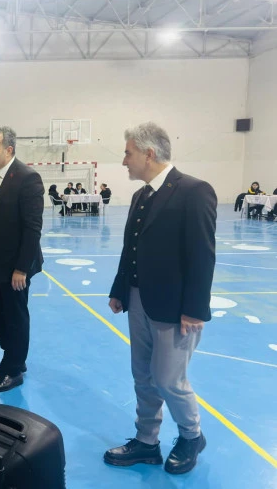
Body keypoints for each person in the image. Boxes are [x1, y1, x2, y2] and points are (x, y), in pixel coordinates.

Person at [105, 122, 216, 475]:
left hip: (174, 308)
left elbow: (202, 255)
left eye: (128, 153)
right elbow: (131, 248)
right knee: (142, 375)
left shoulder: (194, 191)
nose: (124, 161)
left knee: (168, 378)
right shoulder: (141, 196)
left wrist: (194, 309)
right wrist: (120, 289)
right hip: (138, 300)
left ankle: (191, 436)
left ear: (148, 153)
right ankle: (147, 440)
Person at [0, 126, 44, 393]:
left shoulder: (27, 178)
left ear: (9, 150)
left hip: (15, 265)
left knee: (15, 316)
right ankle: (10, 358)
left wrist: (21, 268)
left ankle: (14, 370)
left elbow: (32, 228)